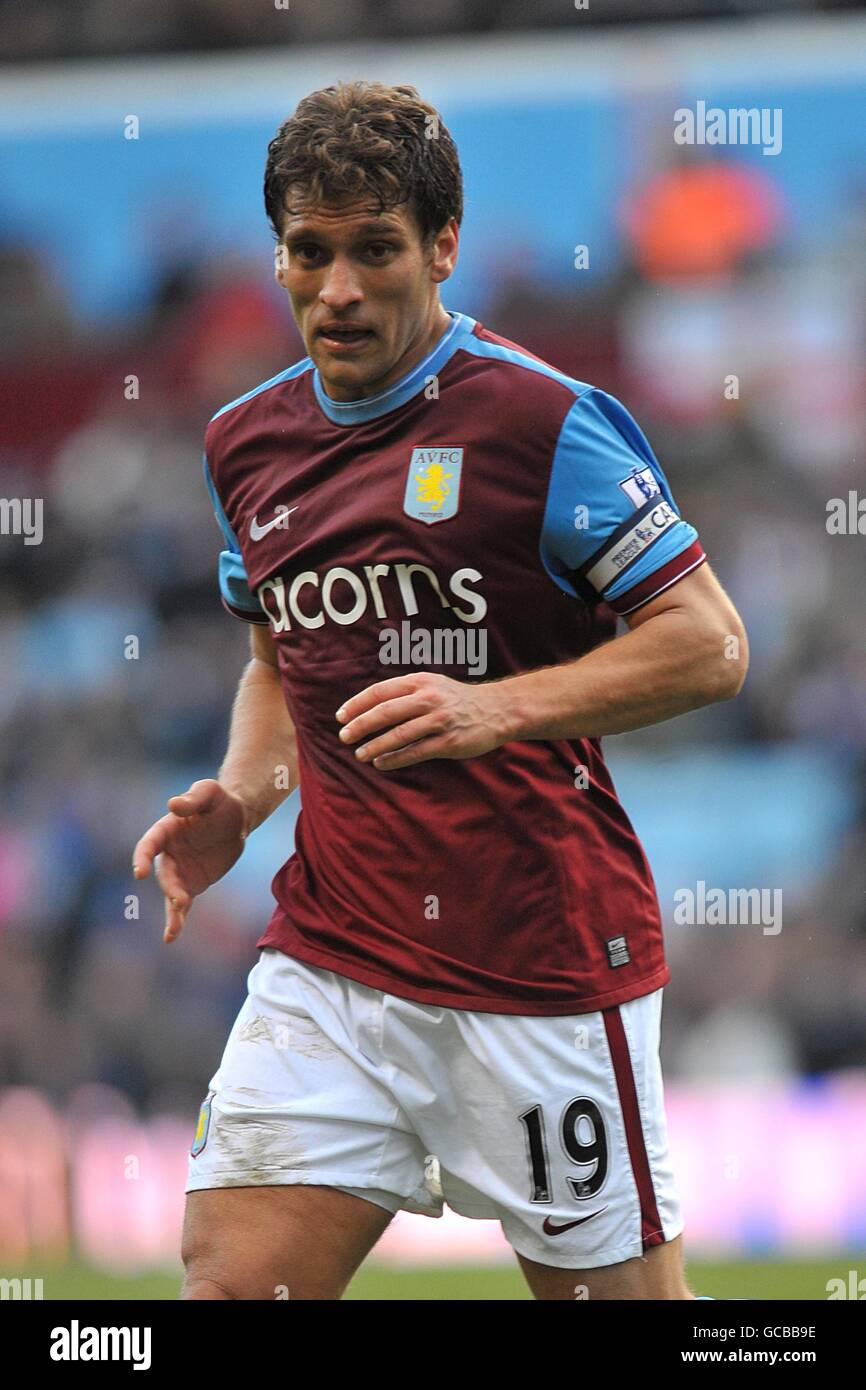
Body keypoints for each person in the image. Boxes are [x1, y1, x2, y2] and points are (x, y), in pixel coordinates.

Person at [132, 81, 748, 1301]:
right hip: (334, 957)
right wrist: (246, 802)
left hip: (538, 966)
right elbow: (275, 665)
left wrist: (499, 707)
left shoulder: (543, 423)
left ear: (442, 247)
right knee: (224, 1287)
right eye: (309, 253)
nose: (338, 289)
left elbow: (709, 643)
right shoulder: (243, 445)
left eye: (375, 250)